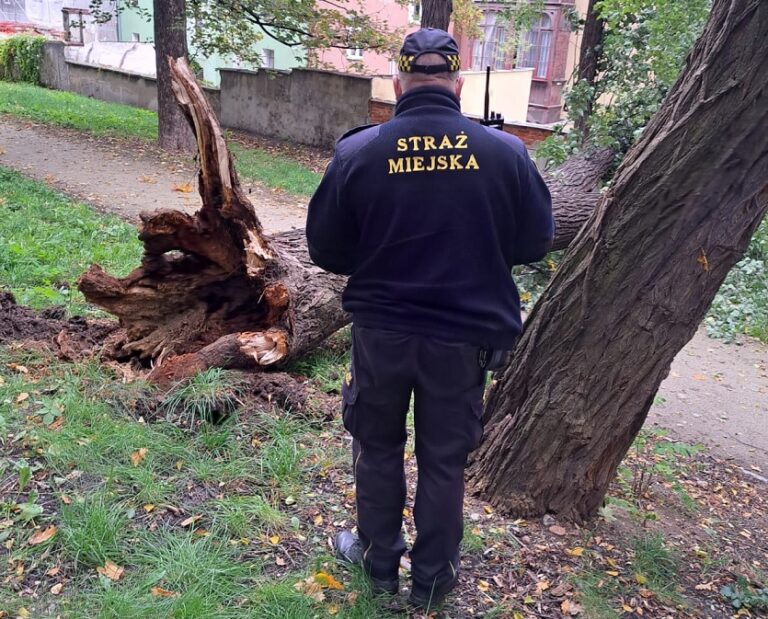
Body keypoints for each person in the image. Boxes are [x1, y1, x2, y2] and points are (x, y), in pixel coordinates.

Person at [305, 28, 553, 612]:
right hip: (464, 339)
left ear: (399, 84)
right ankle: (434, 578)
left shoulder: (360, 152)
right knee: (444, 460)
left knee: (378, 445)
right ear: (457, 84)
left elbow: (326, 250)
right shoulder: (506, 153)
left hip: (383, 332)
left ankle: (378, 560)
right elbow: (535, 242)